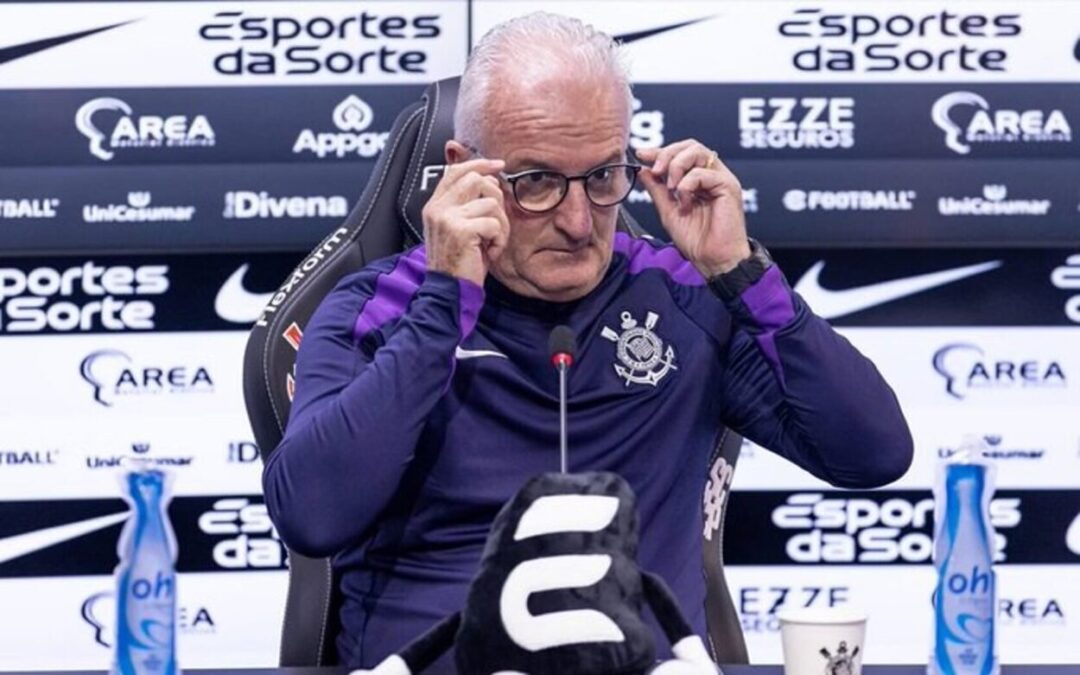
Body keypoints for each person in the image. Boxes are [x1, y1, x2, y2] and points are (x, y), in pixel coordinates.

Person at [263, 11, 913, 669]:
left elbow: (874, 453)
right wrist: (443, 307)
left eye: (603, 177)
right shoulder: (381, 306)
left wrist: (742, 274)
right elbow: (312, 516)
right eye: (537, 182)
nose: (579, 222)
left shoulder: (685, 296)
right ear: (463, 174)